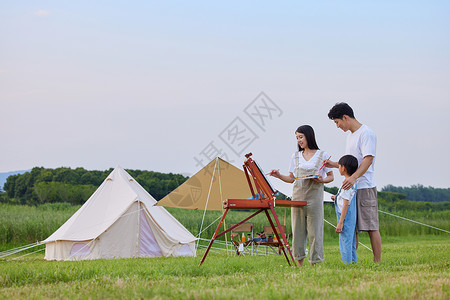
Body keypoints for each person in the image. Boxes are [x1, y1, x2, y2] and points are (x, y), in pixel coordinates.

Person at [269, 125, 334, 266]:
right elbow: (291, 179)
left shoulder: (322, 155)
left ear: (309, 136)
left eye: (301, 137)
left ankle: (315, 263)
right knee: (297, 232)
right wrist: (278, 175)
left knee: (315, 232)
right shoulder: (295, 156)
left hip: (315, 197)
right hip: (297, 198)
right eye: (297, 138)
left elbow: (331, 177)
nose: (298, 140)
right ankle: (299, 264)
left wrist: (321, 180)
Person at [325, 102, 381, 263]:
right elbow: (350, 164)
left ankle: (377, 262)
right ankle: (351, 262)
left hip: (365, 186)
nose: (337, 126)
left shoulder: (366, 133)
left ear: (345, 117)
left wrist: (354, 177)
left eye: (337, 122)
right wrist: (334, 164)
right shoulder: (350, 136)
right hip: (352, 186)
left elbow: (368, 159)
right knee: (352, 228)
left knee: (371, 226)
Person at [331, 155, 358, 264]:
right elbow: (345, 199)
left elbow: (346, 204)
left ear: (344, 168)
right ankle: (353, 262)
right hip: (350, 218)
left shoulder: (346, 185)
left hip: (345, 218)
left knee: (345, 242)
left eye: (339, 166)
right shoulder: (351, 183)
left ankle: (347, 263)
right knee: (350, 241)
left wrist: (340, 223)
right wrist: (336, 198)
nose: (338, 168)